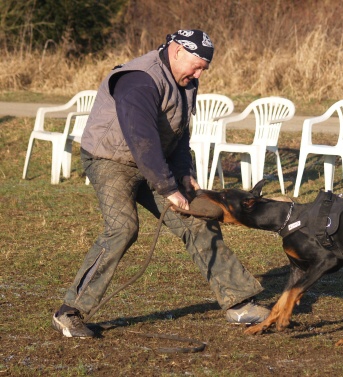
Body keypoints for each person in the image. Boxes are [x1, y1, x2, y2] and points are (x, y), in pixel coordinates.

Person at [52, 29, 269, 338]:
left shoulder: (186, 81)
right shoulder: (138, 80)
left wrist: (183, 172)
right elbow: (142, 141)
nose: (198, 73)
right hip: (110, 160)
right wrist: (169, 189)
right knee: (123, 228)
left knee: (198, 220)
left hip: (154, 163)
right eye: (196, 65)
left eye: (203, 69)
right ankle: (69, 312)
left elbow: (178, 132)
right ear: (177, 51)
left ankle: (240, 304)